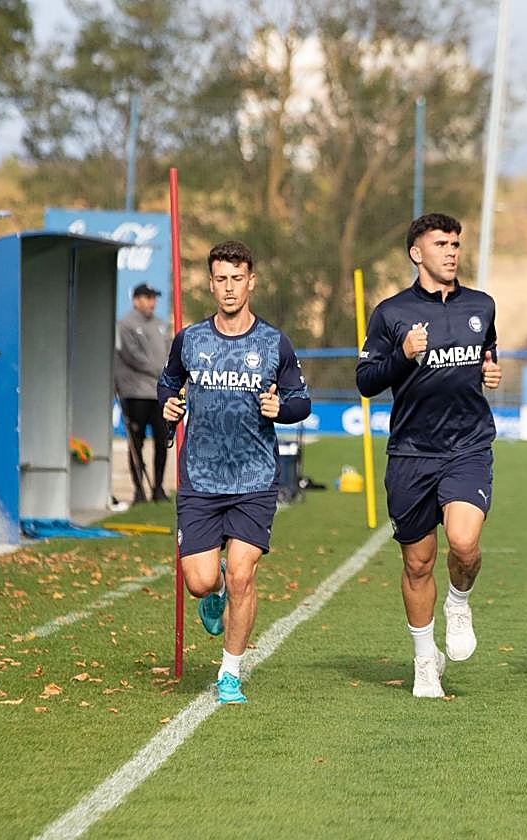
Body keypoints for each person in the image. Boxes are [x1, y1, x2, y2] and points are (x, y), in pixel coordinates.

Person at [356, 212, 502, 699]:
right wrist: (403, 354)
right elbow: (366, 381)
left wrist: (489, 373)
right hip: (412, 454)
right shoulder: (391, 313)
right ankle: (424, 661)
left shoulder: (482, 305)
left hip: (467, 447)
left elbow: (487, 354)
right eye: (441, 243)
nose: (452, 251)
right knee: (417, 564)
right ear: (417, 253)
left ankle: (459, 601)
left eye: (456, 243)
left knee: (463, 543)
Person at [158, 240, 310, 704]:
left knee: (244, 574)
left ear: (251, 281)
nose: (228, 287)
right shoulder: (190, 340)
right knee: (201, 581)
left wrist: (279, 407)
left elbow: (301, 400)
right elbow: (166, 383)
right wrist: (168, 407)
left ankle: (230, 672)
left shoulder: (273, 342)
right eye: (220, 279)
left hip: (254, 479)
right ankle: (215, 590)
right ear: (210, 283)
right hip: (201, 480)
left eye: (237, 278)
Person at [115, 283, 170, 503]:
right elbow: (133, 357)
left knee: (162, 440)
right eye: (147, 297)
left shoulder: (161, 324)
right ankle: (139, 489)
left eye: (154, 297)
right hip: (136, 392)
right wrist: (161, 370)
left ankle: (158, 488)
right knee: (136, 442)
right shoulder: (126, 324)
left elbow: (169, 352)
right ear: (136, 299)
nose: (152, 302)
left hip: (159, 393)